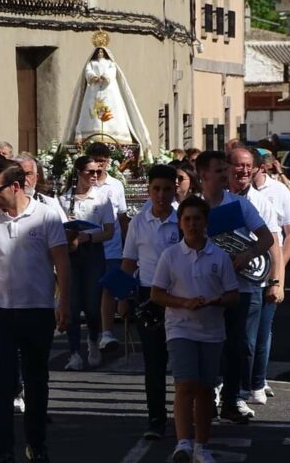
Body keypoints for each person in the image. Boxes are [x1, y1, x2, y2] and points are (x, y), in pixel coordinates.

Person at [0, 158, 70, 463]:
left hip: (37, 309)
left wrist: (65, 303)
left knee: (35, 381)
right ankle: (2, 449)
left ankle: (36, 444)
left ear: (16, 186)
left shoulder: (46, 217)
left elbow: (61, 261)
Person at [151, 196, 239, 463]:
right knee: (185, 384)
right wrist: (183, 303)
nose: (192, 224)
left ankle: (202, 445)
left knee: (204, 388)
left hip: (212, 330)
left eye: (197, 219)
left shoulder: (220, 256)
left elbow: (233, 295)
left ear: (205, 223)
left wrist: (217, 301)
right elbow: (157, 293)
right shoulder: (171, 255)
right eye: (187, 219)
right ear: (180, 223)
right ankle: (183, 443)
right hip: (180, 328)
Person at [194, 150, 274, 424]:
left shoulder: (238, 205)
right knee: (209, 344)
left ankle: (232, 399)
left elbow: (266, 239)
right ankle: (206, 398)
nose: (225, 174)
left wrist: (245, 255)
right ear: (203, 175)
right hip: (208, 286)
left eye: (224, 169)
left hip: (243, 284)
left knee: (238, 345)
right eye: (218, 170)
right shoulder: (194, 209)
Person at [121, 165, 180, 440]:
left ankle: (187, 415)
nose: (160, 195)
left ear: (174, 190)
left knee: (182, 361)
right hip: (149, 297)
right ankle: (156, 419)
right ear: (149, 190)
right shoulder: (138, 222)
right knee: (154, 362)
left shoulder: (182, 220)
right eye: (156, 189)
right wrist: (123, 298)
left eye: (166, 189)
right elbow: (129, 262)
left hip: (180, 296)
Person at [225, 148, 283, 419]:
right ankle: (223, 389)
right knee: (220, 339)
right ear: (228, 168)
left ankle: (239, 391)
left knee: (245, 343)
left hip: (251, 283)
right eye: (238, 166)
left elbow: (275, 245)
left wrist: (276, 282)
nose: (244, 171)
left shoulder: (261, 202)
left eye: (248, 166)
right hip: (219, 282)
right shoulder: (218, 200)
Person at [251, 150, 290, 405]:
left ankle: (258, 379)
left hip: (270, 267)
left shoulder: (278, 192)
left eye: (252, 167)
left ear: (262, 168)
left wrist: (280, 267)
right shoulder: (234, 192)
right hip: (243, 270)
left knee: (263, 328)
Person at [58, 155, 115, 370]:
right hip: (72, 253)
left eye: (97, 172)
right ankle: (74, 352)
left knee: (92, 304)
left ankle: (93, 338)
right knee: (72, 303)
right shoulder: (64, 199)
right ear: (79, 173)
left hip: (92, 252)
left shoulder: (102, 198)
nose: (94, 176)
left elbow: (109, 231)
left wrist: (88, 237)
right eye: (90, 172)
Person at [86, 142, 128, 353]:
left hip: (113, 247)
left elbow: (122, 216)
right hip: (90, 247)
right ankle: (94, 332)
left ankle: (107, 332)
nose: (99, 165)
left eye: (103, 160)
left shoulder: (116, 185)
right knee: (92, 292)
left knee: (109, 288)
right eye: (96, 160)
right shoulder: (84, 184)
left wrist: (127, 245)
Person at [16, 152, 67, 222]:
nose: (24, 179)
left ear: (36, 177)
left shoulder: (50, 203)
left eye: (28, 174)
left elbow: (64, 228)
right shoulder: (4, 205)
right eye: (19, 174)